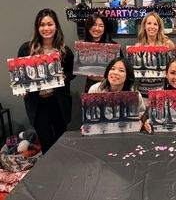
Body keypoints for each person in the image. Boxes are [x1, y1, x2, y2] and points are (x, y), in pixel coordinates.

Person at [17, 8, 75, 154]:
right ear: (37, 28)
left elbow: (71, 72)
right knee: (46, 142)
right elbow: (19, 76)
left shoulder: (65, 51)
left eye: (50, 24)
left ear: (56, 26)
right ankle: (51, 173)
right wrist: (21, 89)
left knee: (61, 140)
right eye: (42, 24)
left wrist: (63, 76)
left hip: (58, 102)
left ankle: (64, 170)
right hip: (38, 103)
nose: (46, 28)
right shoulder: (26, 49)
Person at [135, 12, 175, 98]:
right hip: (143, 93)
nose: (152, 27)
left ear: (159, 27)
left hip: (162, 93)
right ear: (144, 26)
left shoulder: (168, 45)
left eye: (155, 24)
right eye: (149, 23)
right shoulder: (138, 47)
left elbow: (173, 67)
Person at [83, 12, 123, 93]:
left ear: (105, 28)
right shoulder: (83, 47)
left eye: (101, 25)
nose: (97, 28)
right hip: (91, 86)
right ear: (88, 26)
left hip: (111, 86)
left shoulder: (113, 47)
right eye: (94, 24)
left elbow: (122, 68)